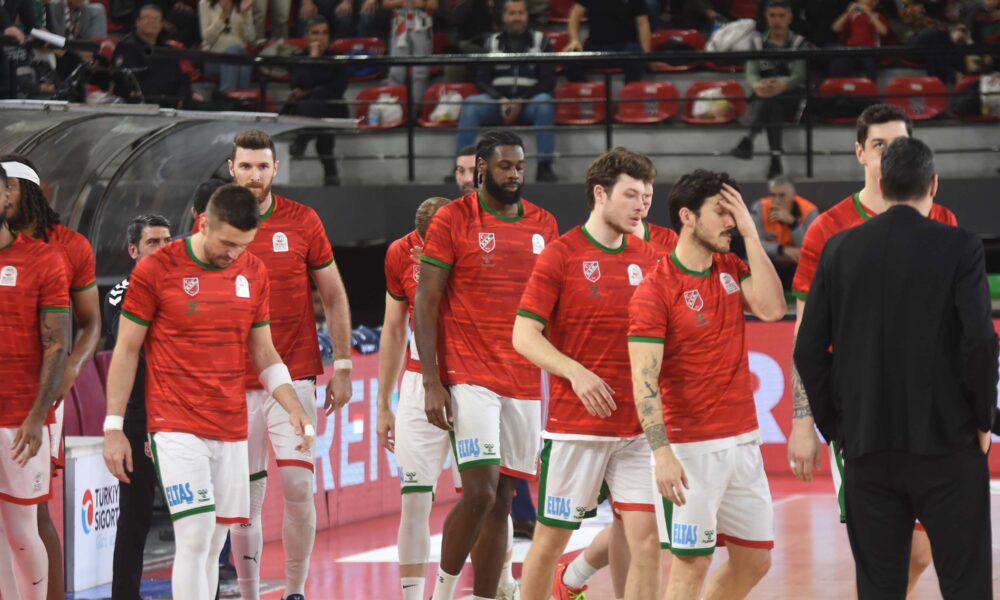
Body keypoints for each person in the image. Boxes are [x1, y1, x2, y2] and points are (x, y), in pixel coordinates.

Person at [794, 136, 998, 599]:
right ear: (934, 185)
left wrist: (838, 427)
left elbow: (807, 349)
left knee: (879, 587)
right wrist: (983, 420)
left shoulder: (839, 249)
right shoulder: (961, 246)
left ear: (882, 185)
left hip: (867, 448)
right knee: (966, 585)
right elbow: (981, 342)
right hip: (948, 445)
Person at [102, 185, 315, 598]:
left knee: (215, 542)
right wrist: (113, 427)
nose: (234, 253)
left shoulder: (252, 271)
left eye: (243, 245)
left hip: (231, 427)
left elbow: (264, 352)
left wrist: (293, 406)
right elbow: (126, 350)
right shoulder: (156, 269)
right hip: (174, 424)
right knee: (196, 535)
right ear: (204, 224)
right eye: (227, 243)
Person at [628, 169, 786, 600]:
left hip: (743, 442)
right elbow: (644, 380)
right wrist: (661, 453)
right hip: (689, 451)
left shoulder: (731, 267)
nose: (731, 221)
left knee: (755, 560)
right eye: (721, 212)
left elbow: (773, 309)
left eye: (734, 212)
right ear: (688, 217)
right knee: (690, 568)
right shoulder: (656, 289)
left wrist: (752, 234)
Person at [415, 129, 559, 600]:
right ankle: (441, 593)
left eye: (519, 166)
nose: (514, 174)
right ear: (482, 168)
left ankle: (485, 596)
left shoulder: (543, 223)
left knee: (502, 501)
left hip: (523, 378)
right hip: (469, 375)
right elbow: (426, 300)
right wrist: (432, 381)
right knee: (479, 491)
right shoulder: (453, 219)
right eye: (505, 166)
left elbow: (555, 304)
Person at [514, 148, 661, 600]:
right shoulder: (561, 255)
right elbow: (524, 335)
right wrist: (575, 372)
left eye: (647, 197)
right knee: (549, 542)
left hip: (636, 430)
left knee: (647, 541)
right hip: (577, 428)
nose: (641, 206)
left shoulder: (650, 257)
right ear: (600, 193)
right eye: (631, 195)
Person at [219, 130, 353, 600]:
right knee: (245, 498)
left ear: (276, 168)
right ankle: (251, 593)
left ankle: (295, 591)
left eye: (262, 166)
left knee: (298, 485)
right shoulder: (211, 222)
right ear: (232, 169)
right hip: (234, 384)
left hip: (293, 376)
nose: (254, 175)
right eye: (245, 166)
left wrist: (343, 365)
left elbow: (333, 293)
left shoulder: (302, 220)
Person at [2, 154, 101, 600]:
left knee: (33, 515)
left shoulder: (66, 246)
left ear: (26, 190)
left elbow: (90, 324)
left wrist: (70, 371)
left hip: (38, 395)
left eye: (9, 187)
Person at [377, 196, 456, 600]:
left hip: (471, 382)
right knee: (414, 499)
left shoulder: (476, 249)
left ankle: (502, 587)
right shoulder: (399, 253)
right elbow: (393, 330)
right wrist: (382, 405)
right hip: (416, 383)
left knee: (485, 498)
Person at [0, 163, 71, 600]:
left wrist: (36, 415)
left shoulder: (43, 259)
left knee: (23, 528)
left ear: (6, 195)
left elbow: (57, 344)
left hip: (19, 418)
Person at [105, 215, 173, 600]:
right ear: (134, 250)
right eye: (152, 243)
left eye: (167, 241)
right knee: (135, 515)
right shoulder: (121, 293)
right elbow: (128, 341)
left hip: (183, 411)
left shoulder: (186, 286)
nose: (162, 249)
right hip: (138, 415)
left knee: (200, 515)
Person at [455, 0, 560, 183]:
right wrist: (500, 99)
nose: (517, 17)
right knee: (471, 104)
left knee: (544, 101)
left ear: (527, 16)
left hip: (529, 103)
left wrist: (521, 100)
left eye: (520, 13)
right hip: (496, 103)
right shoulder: (492, 42)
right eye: (512, 13)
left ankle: (544, 167)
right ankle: (463, 168)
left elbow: (548, 81)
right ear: (503, 17)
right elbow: (481, 79)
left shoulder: (541, 41)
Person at [730, 0, 807, 179]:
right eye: (772, 16)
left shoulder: (799, 42)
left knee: (772, 101)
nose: (776, 20)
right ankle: (775, 160)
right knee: (772, 105)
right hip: (764, 94)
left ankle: (749, 139)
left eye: (781, 16)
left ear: (789, 18)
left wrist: (783, 85)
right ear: (766, 17)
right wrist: (756, 85)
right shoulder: (756, 42)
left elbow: (799, 75)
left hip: (791, 96)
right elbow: (751, 72)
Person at [283, 17, 350, 187]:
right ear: (306, 36)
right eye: (315, 33)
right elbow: (297, 82)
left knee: (323, 96)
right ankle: (331, 172)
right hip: (307, 108)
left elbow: (338, 87)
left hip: (332, 106)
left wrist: (309, 91)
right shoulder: (297, 57)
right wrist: (313, 59)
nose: (320, 38)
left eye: (324, 33)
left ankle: (302, 140)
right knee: (322, 117)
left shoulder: (338, 57)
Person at [112, 4, 191, 107]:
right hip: (140, 105)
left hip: (171, 104)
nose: (152, 22)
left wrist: (181, 97)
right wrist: (161, 100)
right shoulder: (126, 47)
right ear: (137, 22)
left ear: (161, 25)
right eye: (147, 18)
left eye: (156, 19)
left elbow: (182, 79)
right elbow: (129, 83)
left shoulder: (167, 49)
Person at [749, 175, 817, 289]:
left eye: (782, 195)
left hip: (797, 264)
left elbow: (810, 248)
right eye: (773, 195)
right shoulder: (760, 208)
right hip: (770, 262)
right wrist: (782, 249)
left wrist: (792, 223)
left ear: (793, 196)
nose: (776, 200)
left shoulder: (809, 210)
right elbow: (753, 244)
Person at [565, 0, 651, 84]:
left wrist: (647, 55)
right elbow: (575, 15)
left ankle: (629, 91)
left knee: (636, 55)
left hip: (625, 49)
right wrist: (574, 40)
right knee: (570, 60)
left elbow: (642, 24)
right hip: (595, 49)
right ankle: (588, 91)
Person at [385, 0, 437, 106]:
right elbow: (386, 4)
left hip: (422, 23)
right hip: (400, 23)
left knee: (420, 71)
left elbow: (433, 5)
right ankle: (394, 107)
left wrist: (420, 3)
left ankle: (417, 108)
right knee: (396, 71)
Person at [199, 0, 255, 92]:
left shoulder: (243, 3)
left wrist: (245, 14)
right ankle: (241, 97)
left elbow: (251, 38)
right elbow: (207, 38)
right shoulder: (205, 3)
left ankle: (229, 95)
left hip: (240, 55)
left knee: (238, 56)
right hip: (214, 58)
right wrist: (223, 17)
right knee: (238, 59)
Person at [830, 0, 888, 82]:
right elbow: (835, 28)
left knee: (870, 61)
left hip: (871, 50)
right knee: (841, 60)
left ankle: (871, 86)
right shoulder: (852, 16)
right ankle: (841, 86)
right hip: (852, 50)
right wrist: (848, 12)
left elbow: (884, 31)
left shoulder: (877, 16)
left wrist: (869, 13)